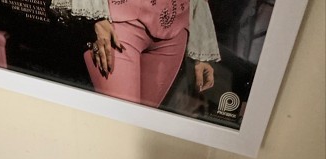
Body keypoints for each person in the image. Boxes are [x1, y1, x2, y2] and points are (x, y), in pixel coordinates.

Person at [49, 0, 220, 108]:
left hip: (175, 31)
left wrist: (202, 49)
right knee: (121, 126)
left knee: (140, 131)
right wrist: (96, 18)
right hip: (118, 23)